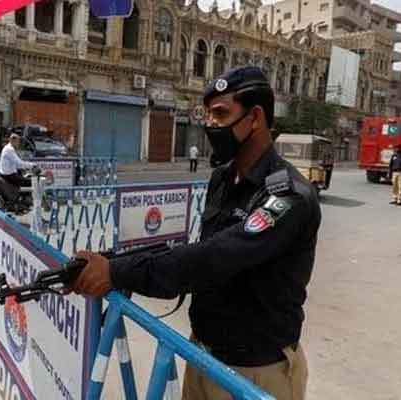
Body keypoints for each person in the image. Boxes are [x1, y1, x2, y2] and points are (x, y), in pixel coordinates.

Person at [70, 67, 321, 400]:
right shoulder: (222, 179)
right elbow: (199, 249)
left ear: (255, 117)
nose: (210, 124)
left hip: (256, 374)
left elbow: (214, 259)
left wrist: (115, 273)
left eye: (221, 114)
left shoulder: (289, 197)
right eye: (207, 115)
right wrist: (112, 261)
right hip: (202, 356)